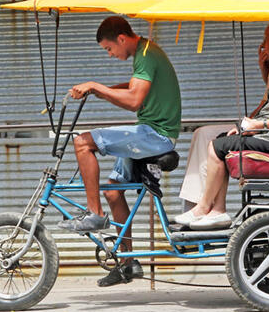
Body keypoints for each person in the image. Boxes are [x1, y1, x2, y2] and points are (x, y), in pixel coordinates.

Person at [58, 15, 181, 287]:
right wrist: (99, 92)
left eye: (109, 49)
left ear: (122, 39)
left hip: (155, 136)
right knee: (113, 192)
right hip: (149, 132)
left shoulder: (147, 55)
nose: (110, 55)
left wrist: (96, 86)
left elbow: (135, 100)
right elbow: (136, 87)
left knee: (82, 142)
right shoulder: (144, 53)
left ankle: (94, 214)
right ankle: (127, 265)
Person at [174, 16, 269, 230]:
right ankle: (215, 211)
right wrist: (249, 125)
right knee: (222, 141)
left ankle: (207, 208)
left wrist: (257, 127)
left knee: (217, 147)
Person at [179, 21, 269, 207]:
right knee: (203, 133)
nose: (261, 46)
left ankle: (202, 206)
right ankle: (198, 204)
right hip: (263, 127)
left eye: (265, 40)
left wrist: (251, 125)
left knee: (209, 137)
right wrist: (265, 71)